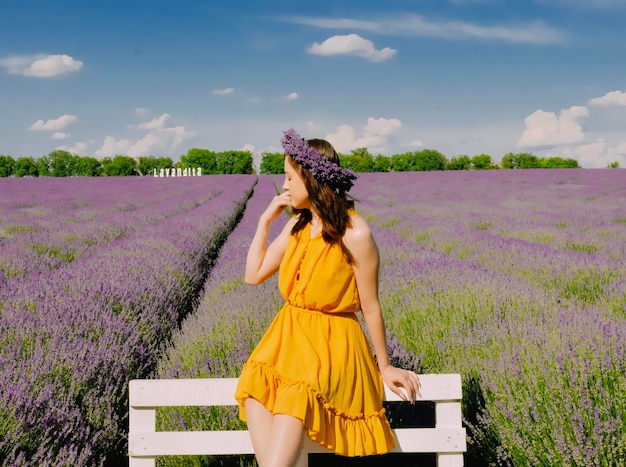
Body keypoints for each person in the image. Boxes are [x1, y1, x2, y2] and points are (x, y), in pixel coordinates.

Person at [234, 128, 421, 467]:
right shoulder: (297, 228)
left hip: (333, 345)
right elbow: (253, 275)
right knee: (254, 397)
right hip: (287, 340)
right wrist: (263, 222)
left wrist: (385, 365)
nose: (285, 185)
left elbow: (371, 306)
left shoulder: (356, 232)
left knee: (294, 400)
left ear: (312, 180)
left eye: (290, 177)